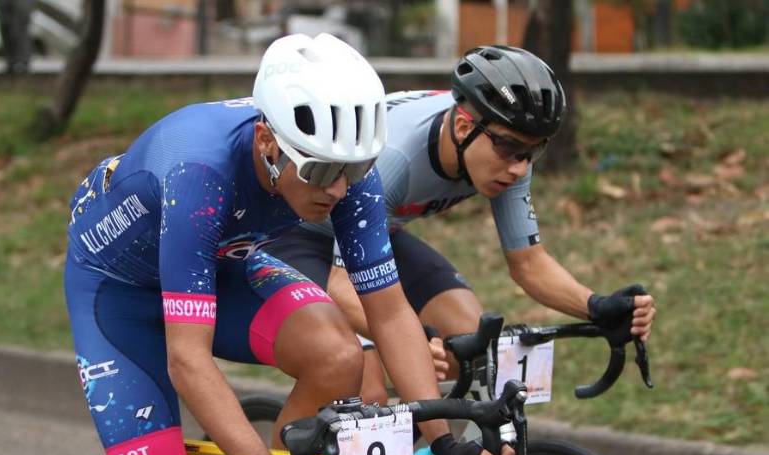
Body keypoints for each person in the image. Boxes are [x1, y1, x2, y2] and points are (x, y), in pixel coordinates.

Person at [63, 34, 512, 455]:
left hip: (225, 260)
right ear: (266, 142)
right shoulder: (199, 173)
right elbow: (188, 359)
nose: (341, 190)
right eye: (323, 171)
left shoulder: (346, 174)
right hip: (120, 293)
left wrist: (443, 443)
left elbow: (389, 312)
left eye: (358, 167)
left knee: (339, 354)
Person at [265, 45, 657, 402]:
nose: (519, 167)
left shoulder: (504, 159)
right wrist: (414, 339)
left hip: (371, 238)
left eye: (533, 151)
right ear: (466, 128)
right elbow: (341, 282)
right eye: (510, 148)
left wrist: (596, 306)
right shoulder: (395, 160)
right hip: (297, 236)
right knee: (371, 387)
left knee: (473, 347)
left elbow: (529, 262)